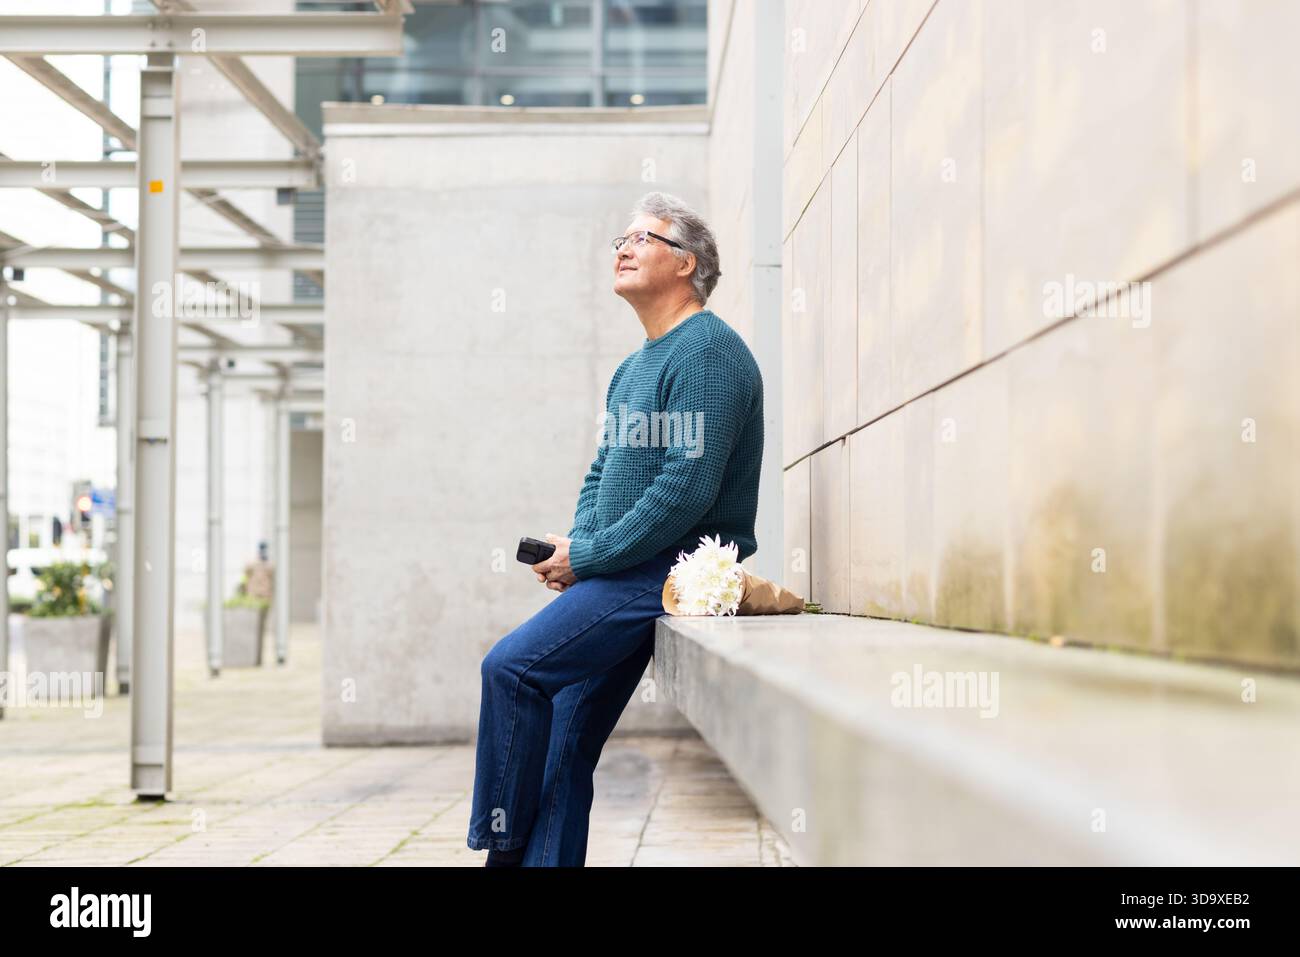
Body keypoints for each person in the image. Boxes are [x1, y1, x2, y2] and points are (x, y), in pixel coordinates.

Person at [466, 192, 764, 866]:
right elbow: (605, 470)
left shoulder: (708, 352)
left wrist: (591, 557)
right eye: (621, 240)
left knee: (510, 668)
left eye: (642, 239)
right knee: (563, 745)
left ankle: (499, 835)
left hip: (664, 572)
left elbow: (685, 490)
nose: (623, 249)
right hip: (619, 568)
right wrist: (576, 549)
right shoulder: (636, 366)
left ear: (685, 263)